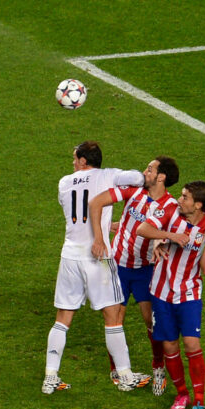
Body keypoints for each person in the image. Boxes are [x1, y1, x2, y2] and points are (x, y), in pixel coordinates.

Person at [41, 141, 149, 394]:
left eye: (74, 158)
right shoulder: (109, 175)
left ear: (82, 160)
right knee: (112, 316)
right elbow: (139, 178)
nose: (72, 162)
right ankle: (124, 375)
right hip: (98, 255)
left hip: (69, 255)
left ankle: (50, 377)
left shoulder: (64, 182)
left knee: (62, 318)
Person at [89, 156, 181, 395]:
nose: (144, 172)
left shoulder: (171, 206)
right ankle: (117, 370)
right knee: (114, 320)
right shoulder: (135, 191)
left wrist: (161, 240)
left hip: (145, 270)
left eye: (149, 169)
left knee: (151, 322)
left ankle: (158, 366)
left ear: (161, 177)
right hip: (117, 266)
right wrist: (112, 227)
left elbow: (167, 231)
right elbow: (100, 200)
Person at [135, 181, 205, 409]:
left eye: (185, 197)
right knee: (170, 346)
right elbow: (143, 229)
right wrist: (167, 236)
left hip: (189, 295)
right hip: (161, 293)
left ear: (198, 204)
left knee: (192, 345)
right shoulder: (171, 211)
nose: (180, 200)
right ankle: (182, 394)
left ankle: (199, 401)